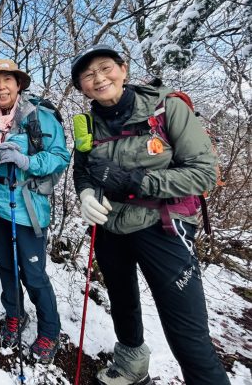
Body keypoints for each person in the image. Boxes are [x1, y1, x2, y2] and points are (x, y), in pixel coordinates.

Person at [70, 44, 230, 385]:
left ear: (123, 69)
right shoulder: (87, 124)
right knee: (122, 300)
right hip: (110, 225)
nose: (99, 78)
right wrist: (85, 193)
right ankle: (131, 364)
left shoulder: (166, 108)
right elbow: (82, 170)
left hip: (163, 225)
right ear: (82, 87)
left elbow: (204, 174)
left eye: (105, 68)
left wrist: (136, 181)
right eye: (88, 75)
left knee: (186, 330)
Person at [0, 59, 70, 364]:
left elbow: (60, 156)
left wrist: (27, 161)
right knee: (6, 266)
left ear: (18, 84)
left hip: (28, 208)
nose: (1, 87)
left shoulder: (38, 116)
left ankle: (50, 330)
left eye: (7, 80)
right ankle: (15, 315)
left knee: (34, 274)